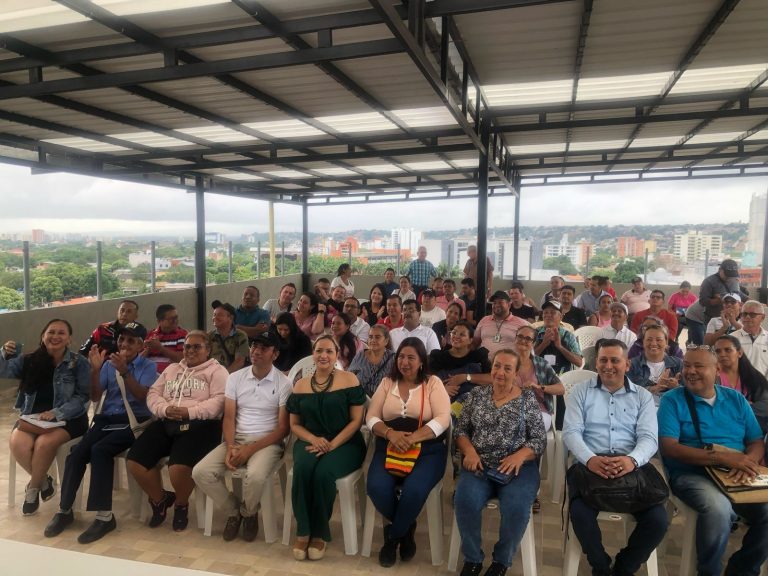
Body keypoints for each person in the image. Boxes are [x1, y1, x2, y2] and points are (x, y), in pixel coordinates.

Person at [658, 345, 768, 576]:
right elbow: (669, 447)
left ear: (717, 370)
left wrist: (747, 462)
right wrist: (723, 458)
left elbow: (756, 441)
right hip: (692, 474)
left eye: (698, 366)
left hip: (737, 473)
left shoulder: (735, 399)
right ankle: (709, 571)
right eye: (687, 365)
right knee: (719, 509)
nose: (690, 371)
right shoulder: (672, 400)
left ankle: (742, 569)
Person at [44, 322, 155, 543]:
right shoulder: (108, 365)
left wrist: (125, 372)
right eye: (121, 339)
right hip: (106, 420)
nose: (124, 344)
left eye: (131, 340)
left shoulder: (148, 366)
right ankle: (65, 510)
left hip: (134, 422)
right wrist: (95, 371)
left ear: (141, 345)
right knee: (76, 453)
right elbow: (95, 396)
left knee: (100, 451)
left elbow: (143, 397)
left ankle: (104, 517)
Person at [563, 338, 667, 576]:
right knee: (580, 513)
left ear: (627, 364)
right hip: (591, 465)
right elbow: (571, 432)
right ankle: (600, 566)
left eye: (615, 360)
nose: (608, 366)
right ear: (596, 363)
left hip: (631, 465)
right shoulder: (581, 392)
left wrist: (632, 460)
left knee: (658, 520)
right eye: (603, 360)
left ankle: (624, 567)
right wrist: (590, 459)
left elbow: (649, 438)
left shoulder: (642, 396)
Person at [454, 348, 546, 576]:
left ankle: (501, 561)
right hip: (479, 463)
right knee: (465, 500)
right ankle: (473, 559)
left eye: (507, 368)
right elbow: (460, 430)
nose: (500, 372)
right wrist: (469, 452)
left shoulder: (527, 399)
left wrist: (520, 456)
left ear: (516, 373)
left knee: (516, 507)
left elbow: (539, 439)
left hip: (518, 468)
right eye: (497, 366)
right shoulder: (476, 395)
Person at [192, 331, 291, 542]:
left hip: (267, 442)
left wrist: (249, 450)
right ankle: (234, 511)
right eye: (254, 346)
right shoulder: (236, 378)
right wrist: (231, 447)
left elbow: (283, 429)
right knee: (200, 472)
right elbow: (229, 417)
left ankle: (249, 512)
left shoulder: (283, 383)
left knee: (255, 477)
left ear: (275, 354)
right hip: (236, 439)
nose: (256, 351)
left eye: (264, 348)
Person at [127, 331, 226, 531]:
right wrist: (164, 409)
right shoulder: (172, 369)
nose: (191, 350)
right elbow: (153, 393)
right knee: (135, 461)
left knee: (177, 469)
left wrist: (189, 412)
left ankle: (181, 504)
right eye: (187, 346)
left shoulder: (217, 371)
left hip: (201, 425)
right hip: (167, 420)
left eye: (197, 346)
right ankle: (160, 499)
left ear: (208, 350)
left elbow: (219, 401)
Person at [366, 337, 451, 567]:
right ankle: (406, 526)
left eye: (411, 357)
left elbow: (443, 418)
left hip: (428, 450)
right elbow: (371, 416)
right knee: (376, 487)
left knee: (414, 491)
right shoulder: (387, 382)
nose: (405, 362)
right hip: (389, 446)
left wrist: (413, 438)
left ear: (422, 361)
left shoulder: (433, 383)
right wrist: (390, 434)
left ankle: (393, 538)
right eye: (401, 357)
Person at [286, 335, 366, 560]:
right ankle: (304, 530)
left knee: (323, 473)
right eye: (319, 350)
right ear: (313, 354)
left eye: (329, 351)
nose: (323, 355)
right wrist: (313, 439)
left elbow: (356, 422)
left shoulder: (349, 379)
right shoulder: (301, 385)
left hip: (345, 442)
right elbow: (294, 425)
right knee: (302, 470)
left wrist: (331, 445)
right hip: (310, 440)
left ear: (336, 355)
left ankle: (320, 532)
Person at [1, 319, 90, 516]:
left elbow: (83, 397)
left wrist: (56, 413)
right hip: (33, 418)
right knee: (18, 443)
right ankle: (43, 481)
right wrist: (4, 354)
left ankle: (32, 489)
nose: (55, 336)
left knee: (43, 443)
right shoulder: (29, 360)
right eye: (51, 332)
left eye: (61, 333)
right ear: (43, 336)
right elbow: (3, 369)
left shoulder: (78, 363)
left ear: (69, 339)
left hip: (69, 419)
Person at [513, 324, 563, 433]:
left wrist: (539, 387)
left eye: (528, 338)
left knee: (524, 427)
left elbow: (561, 389)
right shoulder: (507, 362)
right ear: (515, 339)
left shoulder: (541, 363)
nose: (523, 340)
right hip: (512, 409)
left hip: (539, 411)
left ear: (533, 343)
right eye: (520, 336)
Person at [714, 334, 768, 434]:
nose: (722, 354)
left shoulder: (753, 376)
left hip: (750, 429)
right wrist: (745, 404)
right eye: (718, 351)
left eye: (728, 350)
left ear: (739, 353)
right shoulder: (711, 377)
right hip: (721, 429)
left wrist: (739, 409)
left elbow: (766, 404)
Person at [429, 321, 491, 402]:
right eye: (454, 333)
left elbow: (491, 379)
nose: (456, 336)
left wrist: (466, 377)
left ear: (470, 340)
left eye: (462, 334)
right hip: (444, 401)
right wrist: (441, 389)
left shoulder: (478, 356)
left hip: (473, 402)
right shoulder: (438, 356)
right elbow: (426, 380)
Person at [627, 324, 682, 405]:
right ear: (643, 342)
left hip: (671, 408)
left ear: (666, 342)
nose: (653, 343)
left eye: (658, 340)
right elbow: (626, 392)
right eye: (649, 339)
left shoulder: (678, 364)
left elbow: (692, 392)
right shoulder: (632, 364)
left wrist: (677, 387)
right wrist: (653, 389)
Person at [474, 291, 530, 358]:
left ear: (509, 305)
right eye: (494, 303)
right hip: (483, 363)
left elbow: (528, 345)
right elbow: (475, 342)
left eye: (500, 302)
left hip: (508, 363)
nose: (497, 305)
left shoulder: (521, 323)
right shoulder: (484, 320)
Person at [534, 300, 583, 375]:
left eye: (552, 312)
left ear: (561, 317)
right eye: (545, 312)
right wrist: (543, 344)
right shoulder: (535, 333)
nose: (548, 315)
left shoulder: (568, 336)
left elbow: (579, 362)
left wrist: (560, 346)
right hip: (539, 376)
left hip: (563, 377)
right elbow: (526, 358)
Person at [348, 324, 394, 397]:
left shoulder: (393, 358)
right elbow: (349, 376)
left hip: (383, 400)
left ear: (386, 341)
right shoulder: (361, 355)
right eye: (370, 337)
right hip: (359, 399)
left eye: (377, 337)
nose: (373, 340)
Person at [144, 304, 187, 375]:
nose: (175, 321)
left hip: (171, 374)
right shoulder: (150, 334)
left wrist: (160, 348)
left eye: (176, 317)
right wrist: (148, 349)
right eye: (171, 319)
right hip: (149, 373)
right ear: (159, 321)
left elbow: (182, 359)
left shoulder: (183, 334)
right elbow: (139, 360)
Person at [700, 258, 746, 324]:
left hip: (731, 318)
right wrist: (722, 300)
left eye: (732, 276)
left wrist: (748, 300)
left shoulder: (734, 280)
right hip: (713, 318)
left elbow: (738, 293)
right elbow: (703, 302)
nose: (730, 278)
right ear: (720, 270)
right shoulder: (708, 281)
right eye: (727, 275)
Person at [209, 300, 249, 373]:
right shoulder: (209, 336)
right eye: (214, 315)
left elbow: (239, 361)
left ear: (231, 318)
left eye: (220, 315)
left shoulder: (240, 336)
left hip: (232, 375)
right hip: (211, 374)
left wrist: (224, 376)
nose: (215, 317)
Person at [731, 300, 768, 376]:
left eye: (752, 314)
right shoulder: (731, 338)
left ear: (762, 317)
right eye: (744, 314)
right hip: (739, 382)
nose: (747, 317)